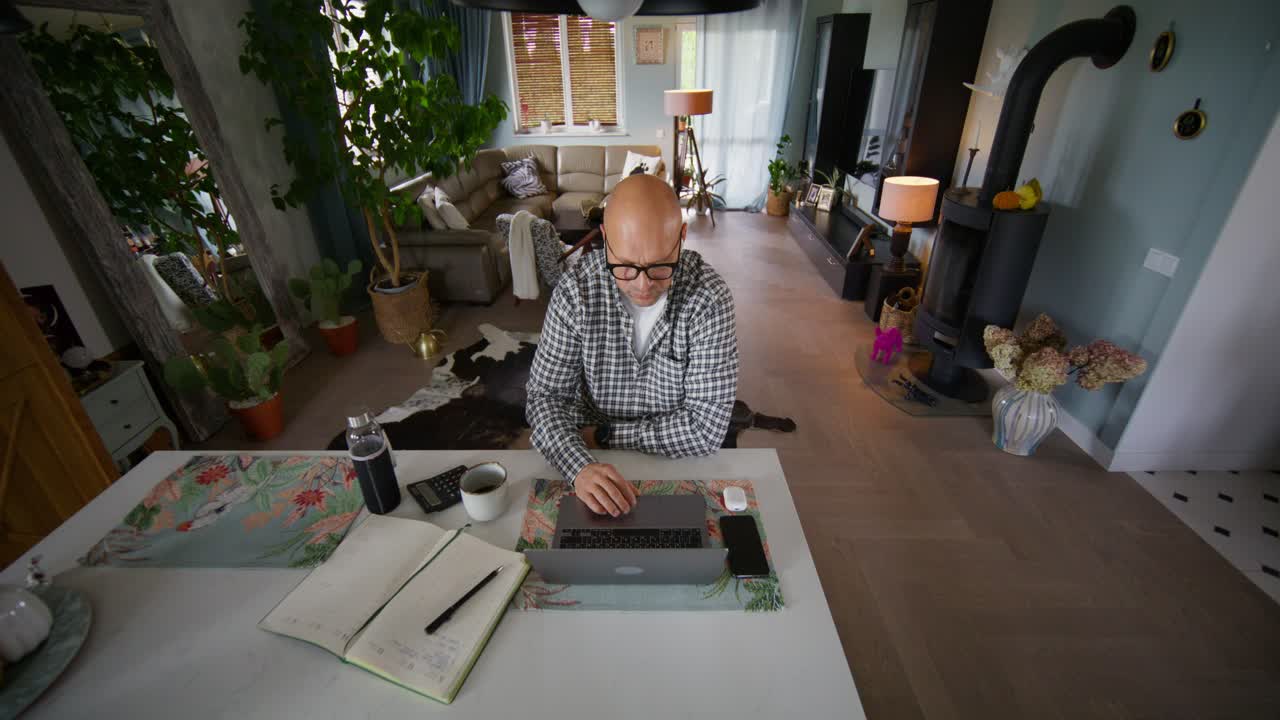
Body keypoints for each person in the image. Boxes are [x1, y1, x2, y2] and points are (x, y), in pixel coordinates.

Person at [526, 174, 739, 517]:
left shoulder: (709, 299)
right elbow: (545, 397)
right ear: (606, 239)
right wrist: (579, 466)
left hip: (672, 461)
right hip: (588, 458)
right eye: (624, 267)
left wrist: (605, 435)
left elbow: (705, 428)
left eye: (659, 267)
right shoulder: (575, 291)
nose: (642, 286)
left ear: (681, 237)